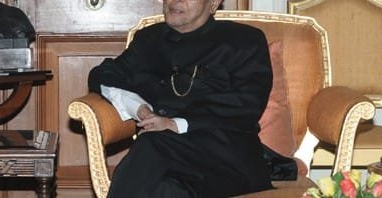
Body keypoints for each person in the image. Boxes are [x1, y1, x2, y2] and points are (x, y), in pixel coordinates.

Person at [87, 0, 274, 197]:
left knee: (150, 145)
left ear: (214, 2)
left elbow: (248, 103)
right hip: (166, 165)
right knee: (167, 190)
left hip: (225, 158)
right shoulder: (149, 39)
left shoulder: (244, 40)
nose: (175, 1)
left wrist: (175, 124)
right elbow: (104, 75)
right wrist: (138, 107)